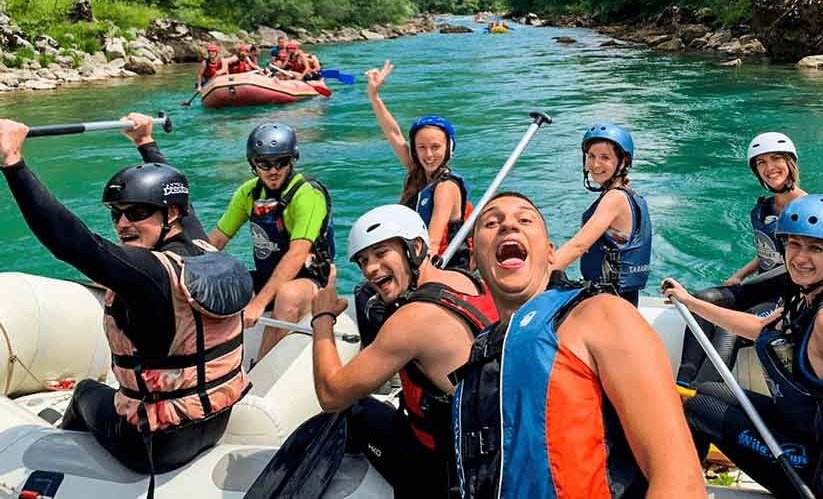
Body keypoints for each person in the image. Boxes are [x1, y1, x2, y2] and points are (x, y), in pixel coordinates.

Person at [0, 113, 252, 479]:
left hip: (154, 443)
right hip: (212, 422)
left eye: (136, 213)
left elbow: (73, 243)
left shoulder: (150, 275)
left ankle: (63, 468)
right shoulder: (200, 248)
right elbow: (181, 196)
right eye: (116, 215)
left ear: (171, 214)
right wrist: (145, 141)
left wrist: (13, 163)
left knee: (86, 391)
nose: (122, 224)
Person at [452, 193, 706, 499]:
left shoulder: (601, 316)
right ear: (474, 260)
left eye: (525, 219)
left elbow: (681, 482)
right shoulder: (482, 353)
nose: (508, 225)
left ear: (550, 254)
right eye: (491, 222)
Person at [664, 194, 823, 499]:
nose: (799, 258)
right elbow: (760, 328)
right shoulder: (807, 295)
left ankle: (679, 492)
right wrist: (691, 302)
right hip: (803, 428)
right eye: (794, 244)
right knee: (708, 391)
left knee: (696, 407)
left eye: (815, 248)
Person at [310, 204, 498, 498]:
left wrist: (322, 318)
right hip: (488, 448)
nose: (370, 269)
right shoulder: (469, 280)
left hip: (445, 467)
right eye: (362, 261)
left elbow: (330, 395)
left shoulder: (412, 320)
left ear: (416, 247)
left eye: (382, 253)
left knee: (353, 409)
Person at [675, 132, 807, 386]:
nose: (769, 168)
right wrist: (740, 276)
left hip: (790, 297)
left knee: (730, 328)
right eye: (761, 163)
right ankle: (682, 383)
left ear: (790, 163)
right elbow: (767, 252)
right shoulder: (765, 208)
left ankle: (702, 396)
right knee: (702, 300)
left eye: (776, 159)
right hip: (763, 288)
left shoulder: (807, 209)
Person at [209, 122, 335, 360]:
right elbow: (216, 240)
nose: (273, 170)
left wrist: (259, 303)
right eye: (264, 163)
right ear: (253, 164)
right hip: (268, 275)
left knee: (287, 294)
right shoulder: (248, 193)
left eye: (282, 162)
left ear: (292, 160)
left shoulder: (307, 195)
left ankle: (260, 370)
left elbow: (297, 253)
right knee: (219, 287)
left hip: (311, 280)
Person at [364, 59, 473, 265]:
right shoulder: (419, 172)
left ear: (449, 148)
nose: (429, 155)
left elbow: (432, 240)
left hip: (445, 268)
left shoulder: (446, 187)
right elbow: (394, 133)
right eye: (421, 148)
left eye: (436, 147)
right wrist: (374, 96)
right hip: (418, 260)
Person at [551, 123, 652, 306]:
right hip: (622, 300)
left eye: (605, 157)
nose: (595, 164)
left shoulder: (614, 199)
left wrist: (538, 274)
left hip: (609, 304)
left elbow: (578, 246)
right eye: (591, 156)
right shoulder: (628, 195)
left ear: (624, 163)